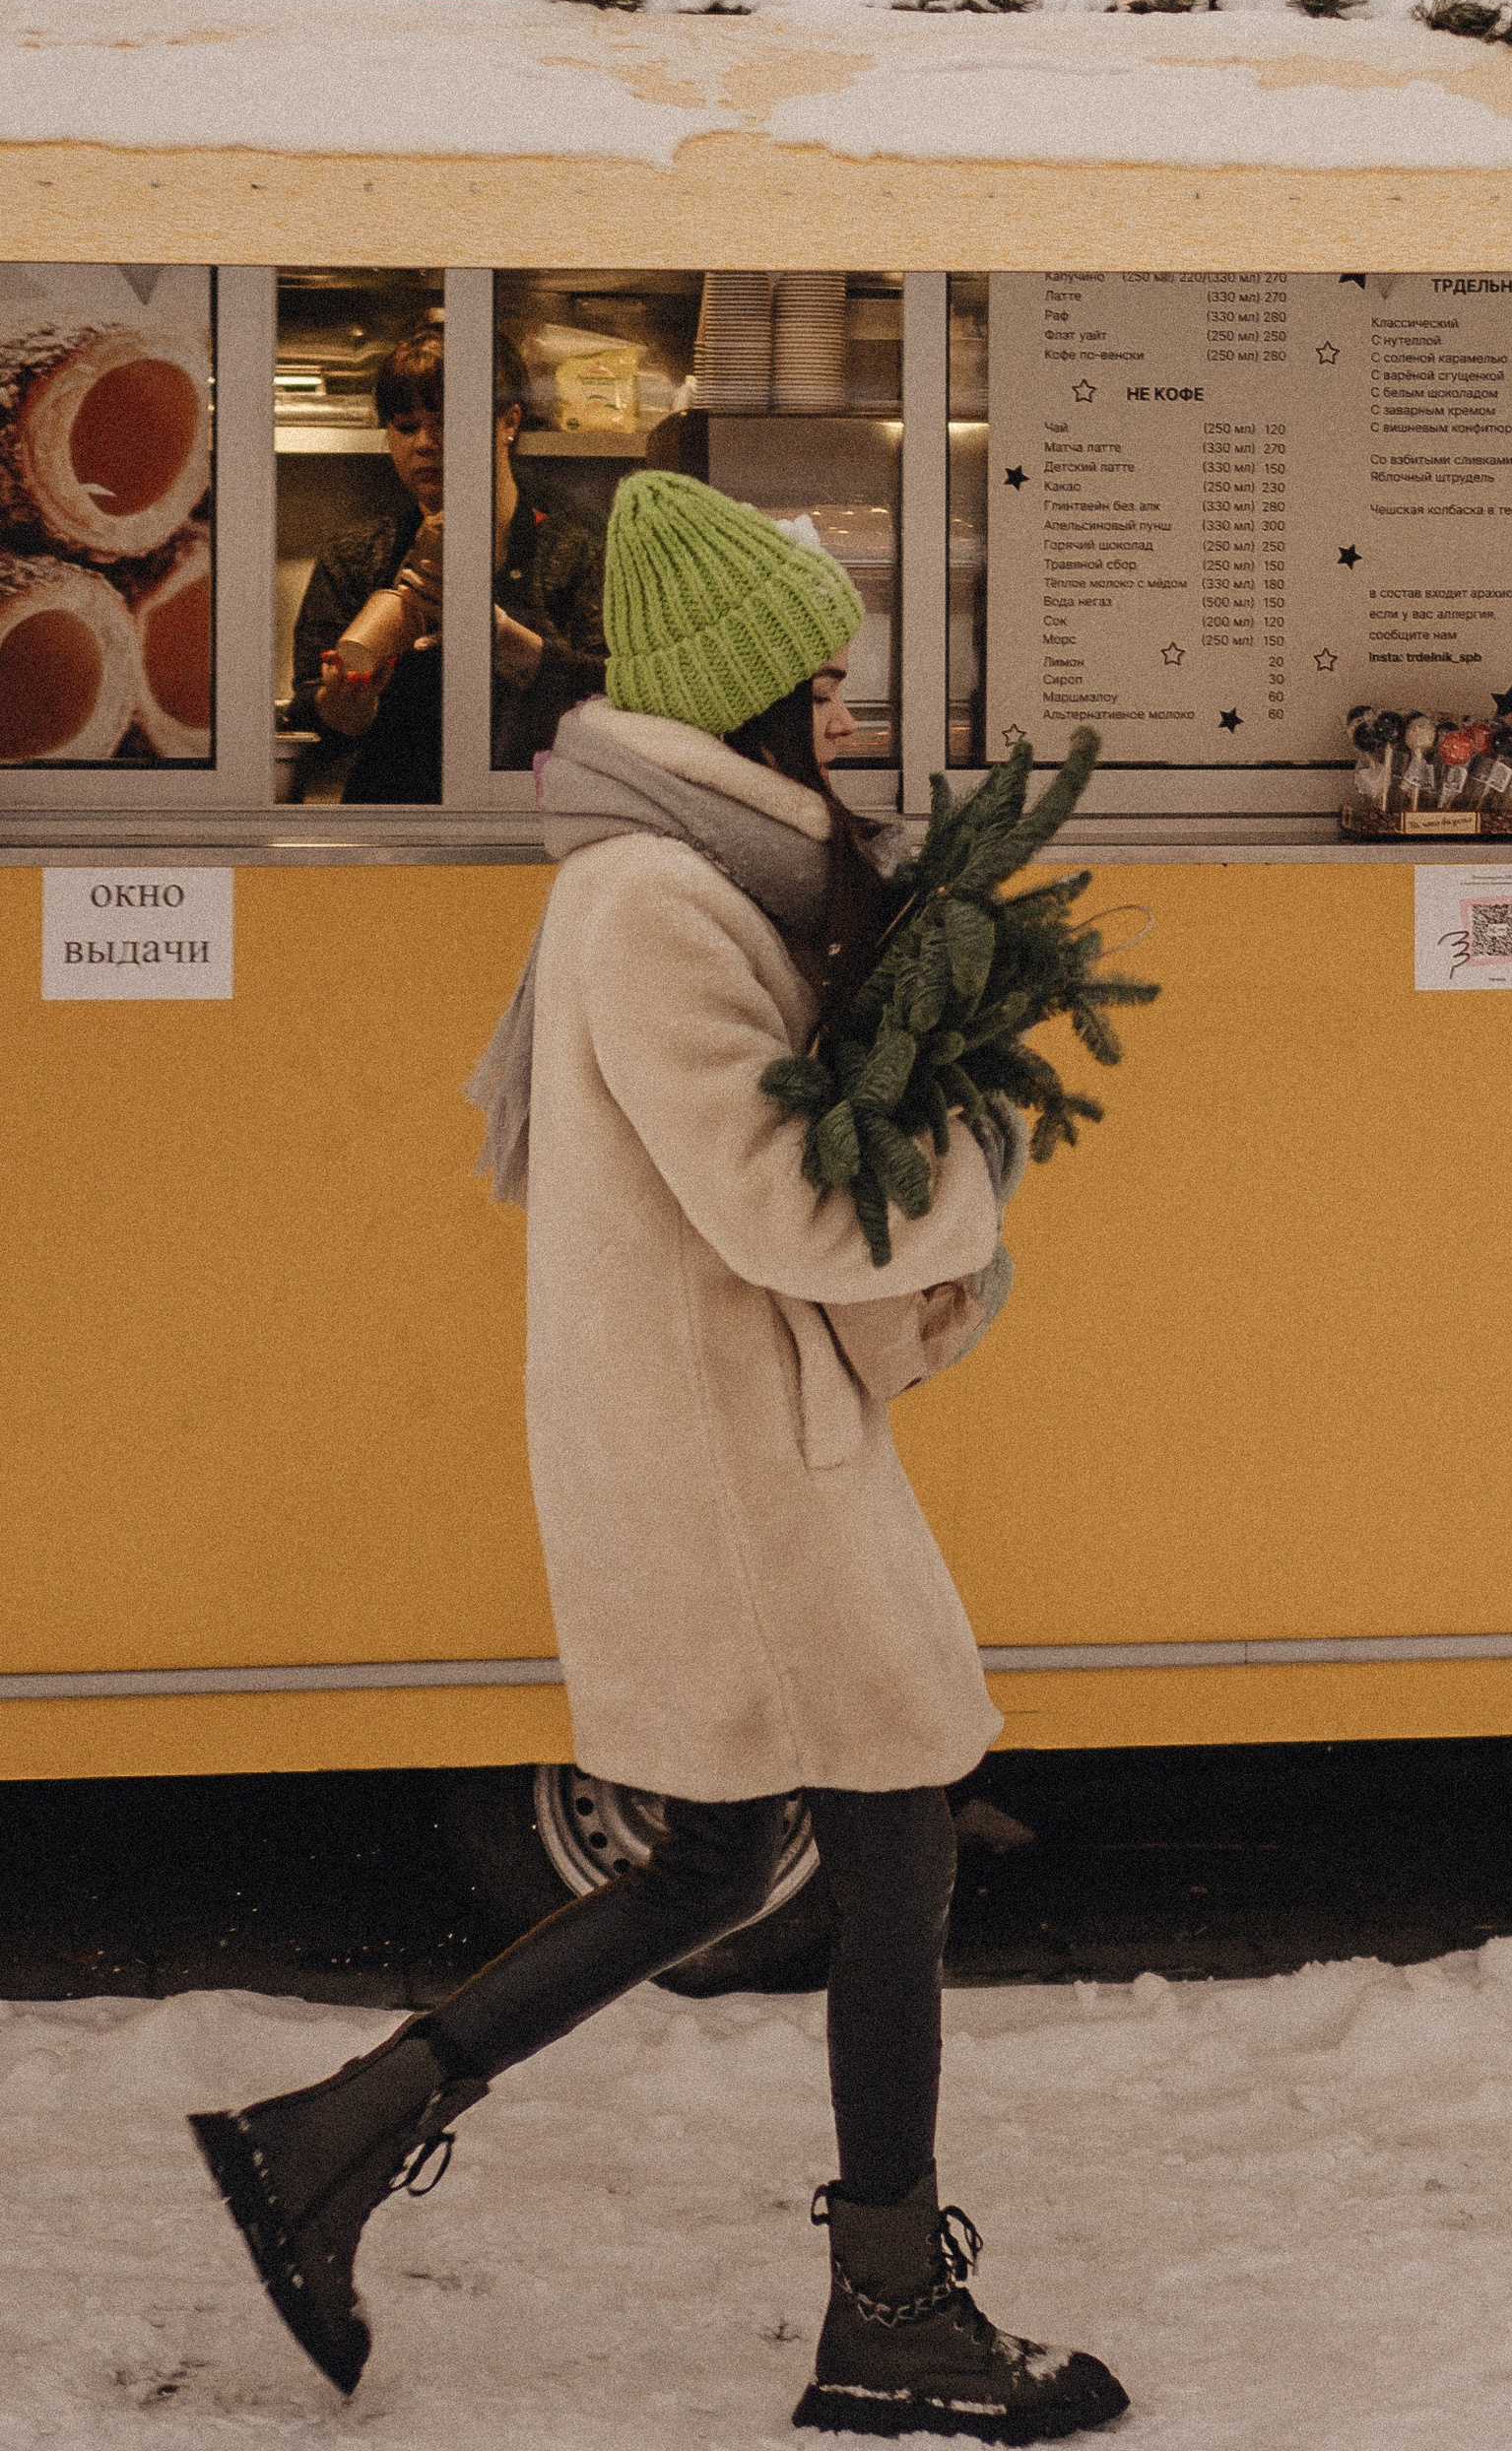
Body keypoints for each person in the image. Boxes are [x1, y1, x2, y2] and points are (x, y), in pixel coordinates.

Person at [194, 474, 1128, 2442]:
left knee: (723, 1854)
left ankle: (329, 2141)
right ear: (759, 691)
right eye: (826, 671)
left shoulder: (696, 883)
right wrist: (978, 1155)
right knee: (888, 1835)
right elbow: (786, 1209)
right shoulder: (653, 904)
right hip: (727, 1453)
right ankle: (888, 2313)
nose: (850, 702)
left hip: (730, 1432)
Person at [290, 324, 606, 804]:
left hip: (542, 821)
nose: (425, 443)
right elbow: (311, 728)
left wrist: (499, 633)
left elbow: (613, 698)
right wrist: (345, 704)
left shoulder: (575, 552)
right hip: (390, 832)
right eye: (406, 426)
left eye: (445, 422)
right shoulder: (356, 556)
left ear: (508, 422)